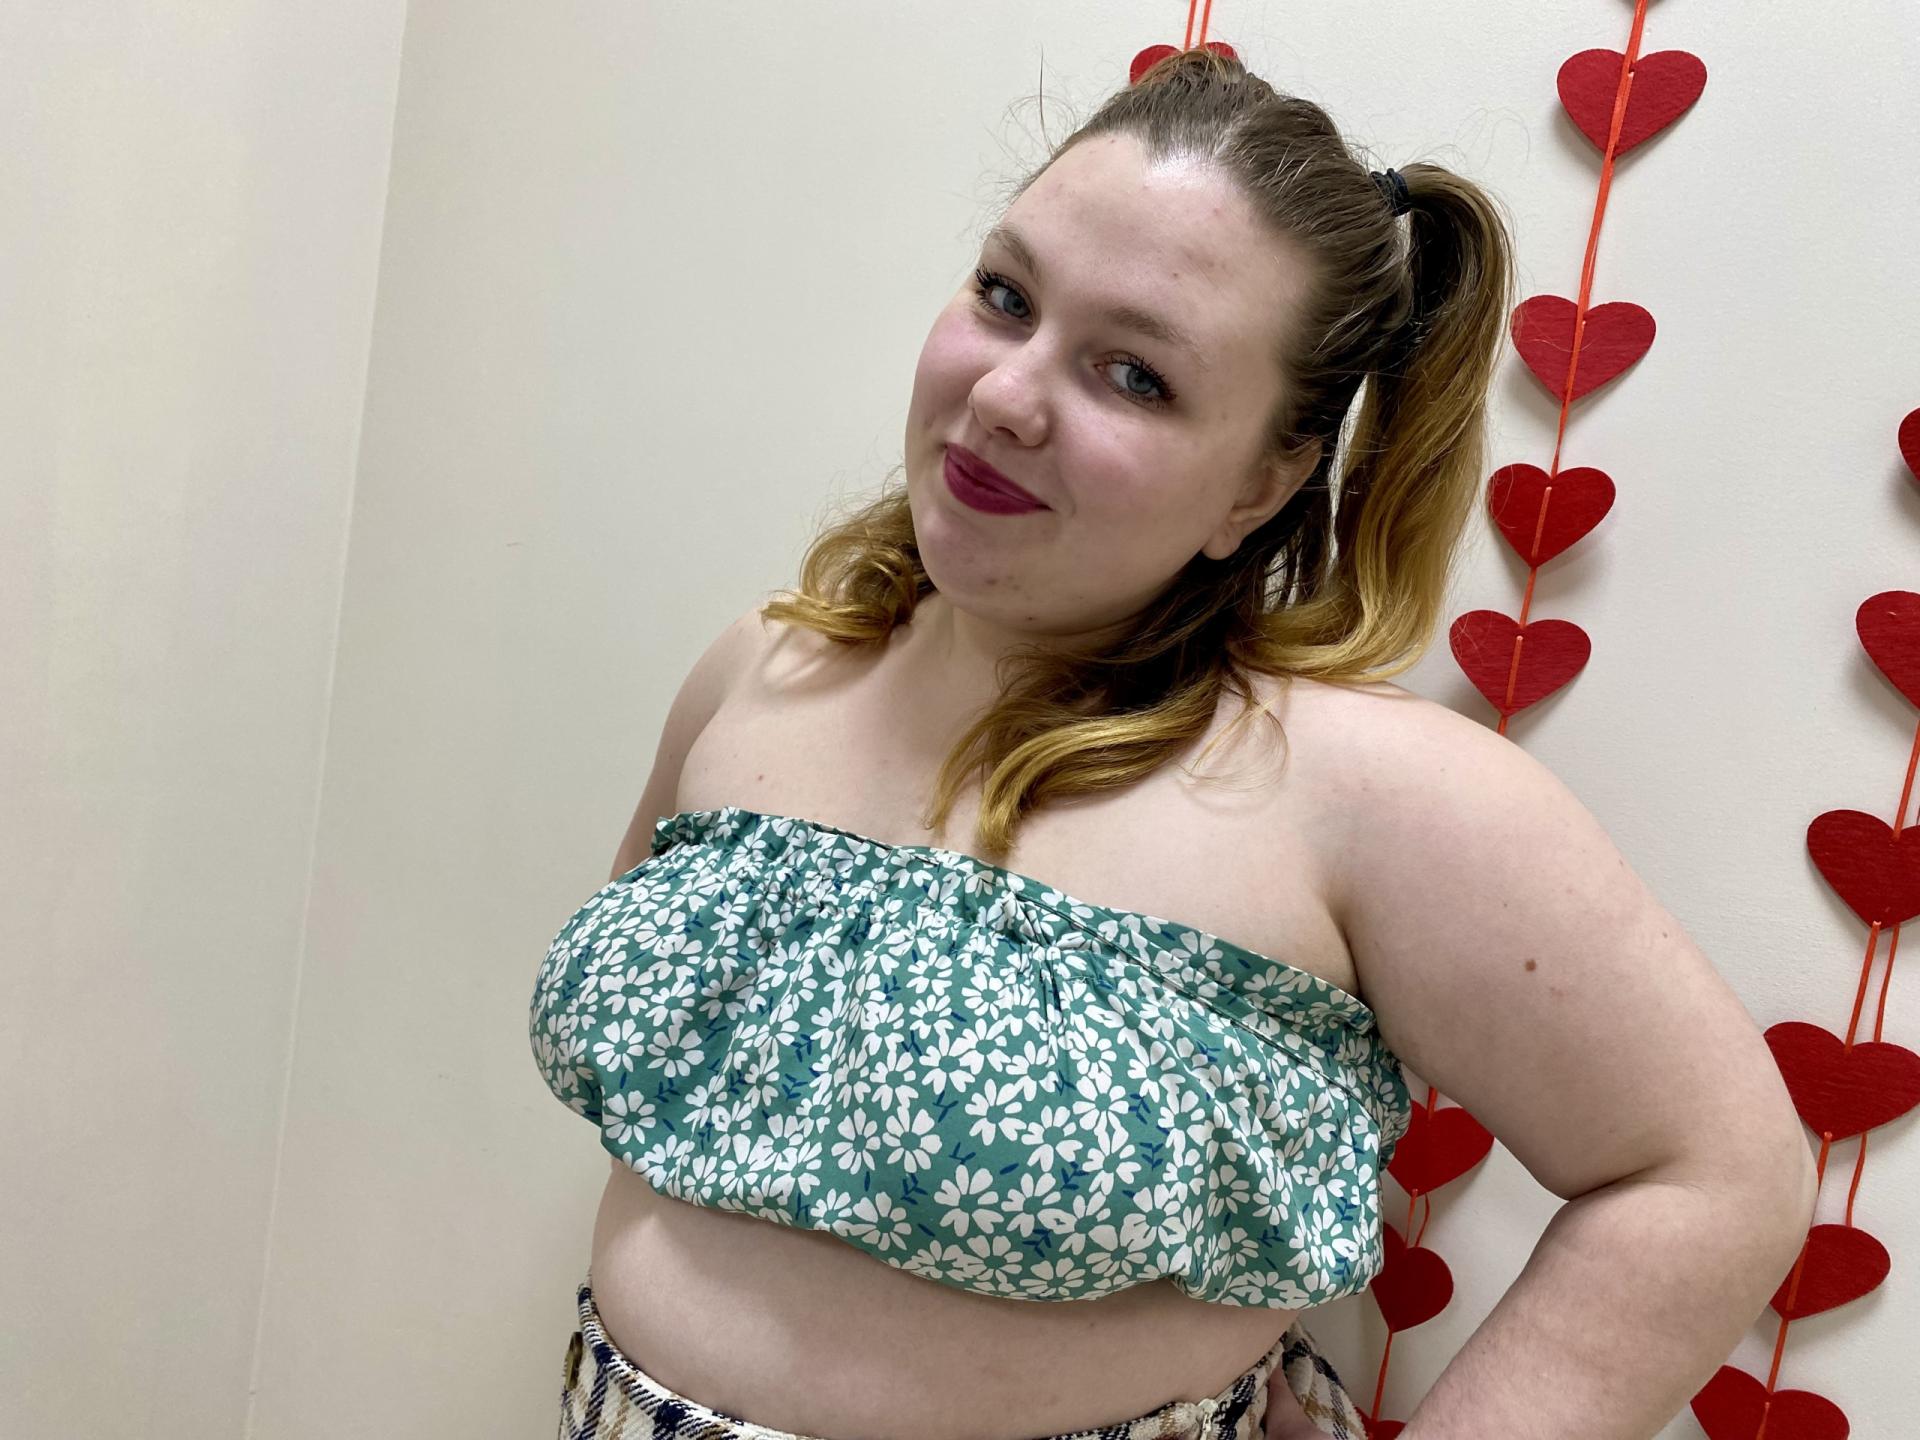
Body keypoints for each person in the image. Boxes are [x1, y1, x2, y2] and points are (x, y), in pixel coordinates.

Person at [531, 47, 1816, 1440]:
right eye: (1006, 294)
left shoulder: (1362, 793)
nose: (1008, 395)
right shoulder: (758, 667)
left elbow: (1714, 1177)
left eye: (1134, 374)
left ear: (1262, 483)